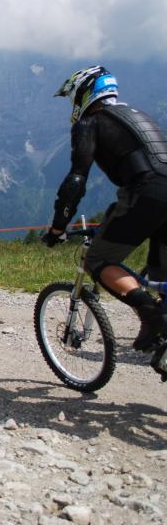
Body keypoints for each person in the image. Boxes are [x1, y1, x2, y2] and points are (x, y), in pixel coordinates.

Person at [42, 65, 167, 353]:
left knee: (97, 259)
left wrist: (57, 228)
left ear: (84, 93)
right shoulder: (139, 116)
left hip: (146, 192)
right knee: (161, 272)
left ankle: (151, 315)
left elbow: (76, 181)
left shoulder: (90, 122)